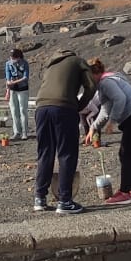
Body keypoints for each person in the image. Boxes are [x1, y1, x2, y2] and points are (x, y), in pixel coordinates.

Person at [33, 48, 97, 214]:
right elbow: (91, 87)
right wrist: (79, 106)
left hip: (41, 108)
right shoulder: (77, 61)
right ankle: (65, 201)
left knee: (45, 152)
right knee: (67, 153)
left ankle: (39, 198)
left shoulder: (50, 65)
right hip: (63, 108)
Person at [85, 58, 131, 205]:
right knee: (128, 154)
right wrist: (93, 127)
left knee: (126, 154)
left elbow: (120, 99)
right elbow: (105, 109)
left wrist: (112, 121)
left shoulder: (106, 82)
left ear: (94, 73)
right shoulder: (109, 80)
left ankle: (125, 193)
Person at [4, 49, 31, 140]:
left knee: (23, 110)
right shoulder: (8, 64)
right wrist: (7, 91)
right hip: (12, 89)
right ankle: (16, 132)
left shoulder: (25, 63)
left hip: (22, 88)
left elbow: (25, 77)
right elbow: (7, 78)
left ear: (18, 57)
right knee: (14, 111)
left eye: (14, 57)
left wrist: (15, 82)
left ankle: (24, 132)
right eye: (11, 57)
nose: (12, 59)